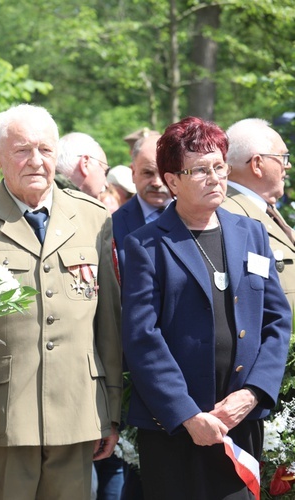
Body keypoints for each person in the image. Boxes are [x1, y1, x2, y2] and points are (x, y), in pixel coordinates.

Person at [0, 104, 122, 500]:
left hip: (78, 410)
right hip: (1, 418)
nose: (36, 161)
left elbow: (107, 324)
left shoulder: (93, 218)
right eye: (22, 150)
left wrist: (112, 411)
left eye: (45, 150)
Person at [121, 116, 292, 500]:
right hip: (175, 429)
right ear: (172, 180)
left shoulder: (251, 232)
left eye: (219, 167)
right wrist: (186, 414)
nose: (215, 177)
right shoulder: (145, 245)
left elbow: (277, 320)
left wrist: (253, 393)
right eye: (200, 170)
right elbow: (141, 337)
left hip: (240, 419)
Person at [222, 118, 295, 314]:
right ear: (257, 164)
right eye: (283, 157)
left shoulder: (264, 209)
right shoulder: (231, 215)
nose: (287, 166)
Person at [112, 132, 172, 279]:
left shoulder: (199, 217)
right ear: (133, 173)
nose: (157, 183)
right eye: (148, 173)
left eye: (164, 174)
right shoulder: (113, 226)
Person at [55, 132, 110, 198]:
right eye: (106, 172)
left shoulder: (45, 196)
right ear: (85, 163)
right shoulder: (75, 205)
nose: (107, 184)